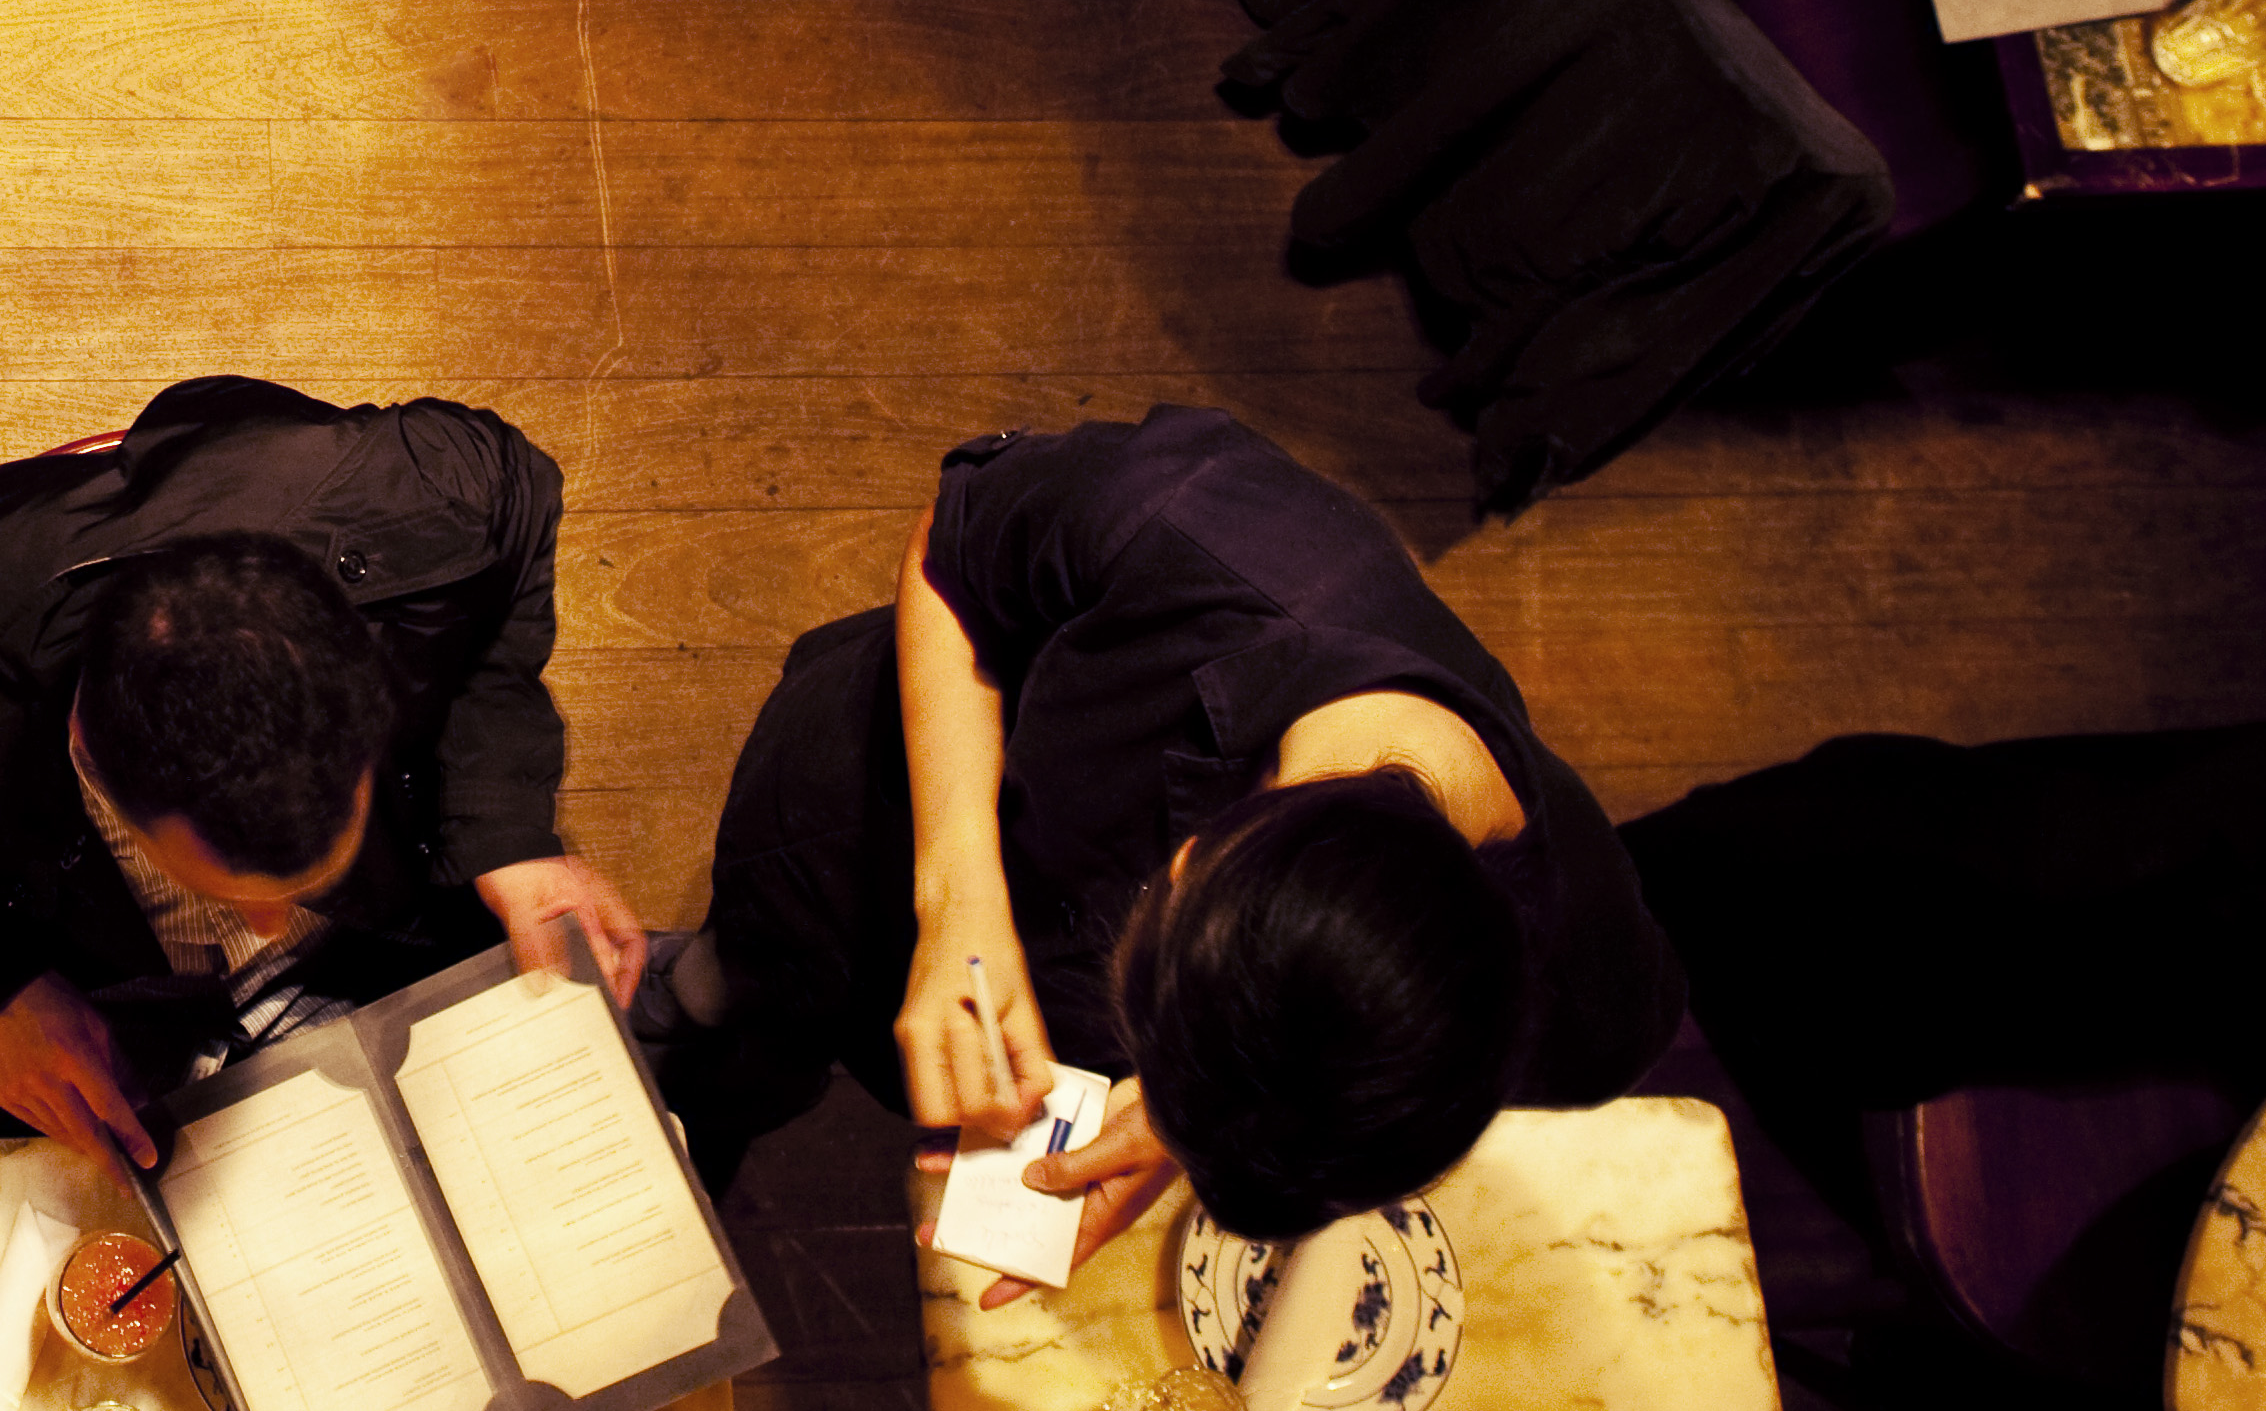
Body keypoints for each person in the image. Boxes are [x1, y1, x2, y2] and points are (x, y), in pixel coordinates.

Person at [655, 408, 1683, 1268]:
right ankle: (691, 1031)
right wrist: (955, 888)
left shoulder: (1573, 986)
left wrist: (1187, 1116)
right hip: (866, 808)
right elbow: (951, 549)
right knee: (736, 1007)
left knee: (801, 1057)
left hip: (979, 978)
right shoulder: (1191, 522)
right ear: (1188, 857)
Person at [0, 374, 644, 1173]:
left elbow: (523, 489)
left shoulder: (423, 499)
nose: (268, 936)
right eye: (229, 895)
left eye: (307, 876)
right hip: (65, 940)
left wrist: (503, 830)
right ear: (97, 760)